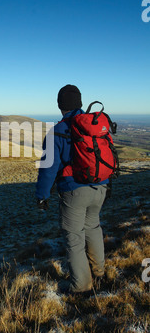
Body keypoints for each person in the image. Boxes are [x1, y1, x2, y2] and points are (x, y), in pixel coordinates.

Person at [36, 85, 108, 294]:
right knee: (93, 228)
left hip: (74, 191)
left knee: (74, 238)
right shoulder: (94, 125)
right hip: (100, 186)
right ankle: (99, 274)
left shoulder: (58, 131)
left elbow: (48, 169)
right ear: (80, 103)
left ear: (60, 105)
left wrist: (42, 195)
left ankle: (82, 287)